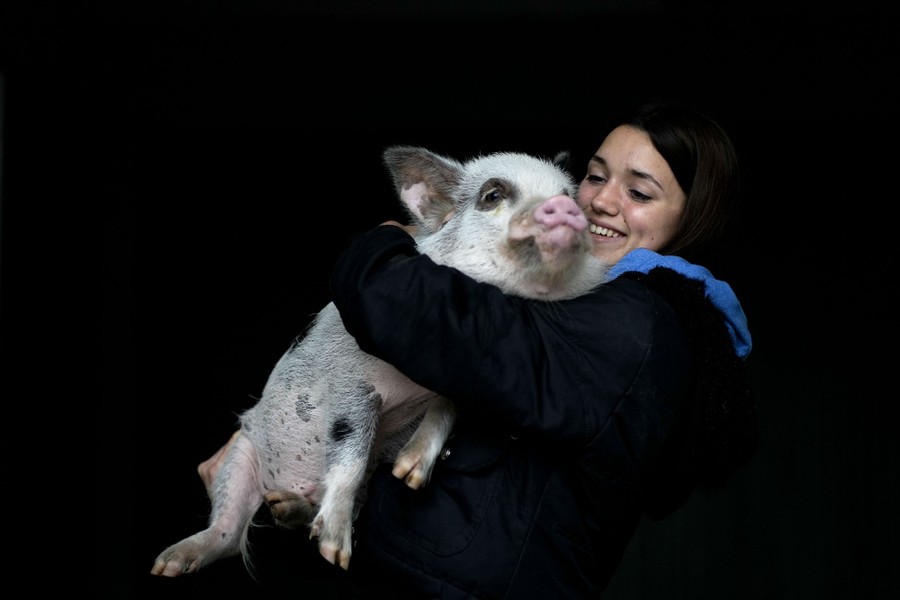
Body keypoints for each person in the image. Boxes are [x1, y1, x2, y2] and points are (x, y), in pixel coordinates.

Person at [197, 98, 757, 598]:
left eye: (638, 193)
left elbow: (429, 319)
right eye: (592, 176)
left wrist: (390, 239)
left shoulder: (639, 321)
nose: (597, 203)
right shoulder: (604, 303)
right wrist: (273, 443)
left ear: (693, 218)